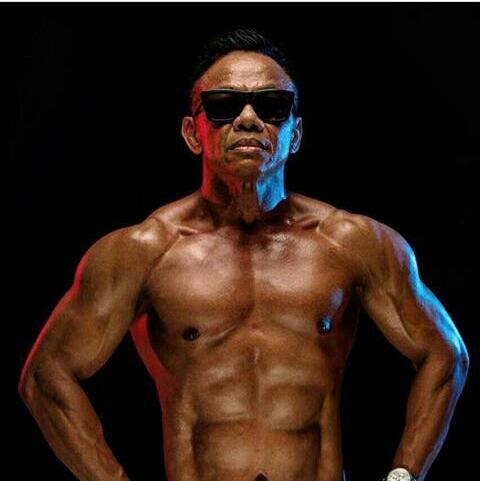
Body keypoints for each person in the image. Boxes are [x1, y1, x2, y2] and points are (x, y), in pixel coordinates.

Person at [18, 28, 469, 481]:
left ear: (295, 134)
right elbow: (45, 376)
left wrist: (404, 475)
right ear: (192, 133)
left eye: (272, 106)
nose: (249, 119)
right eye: (223, 105)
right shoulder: (144, 252)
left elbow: (445, 354)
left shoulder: (354, 243)